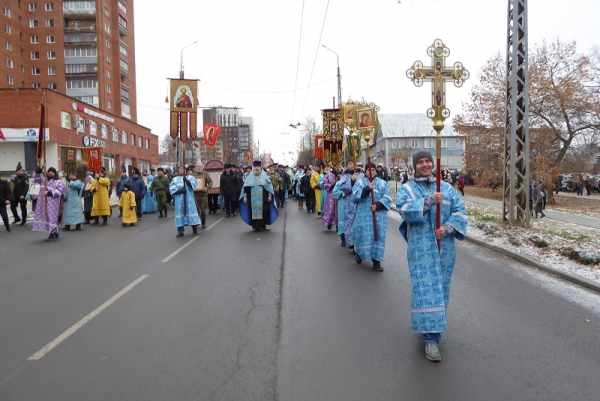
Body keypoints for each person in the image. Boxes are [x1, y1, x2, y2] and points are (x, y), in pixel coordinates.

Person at [395, 150, 468, 362]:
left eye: (428, 161)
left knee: (441, 289)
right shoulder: (407, 189)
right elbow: (404, 210)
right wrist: (428, 202)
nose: (425, 165)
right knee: (425, 290)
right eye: (420, 162)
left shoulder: (447, 188)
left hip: (444, 247)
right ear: (414, 166)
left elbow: (460, 213)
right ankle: (430, 339)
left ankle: (432, 330)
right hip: (420, 249)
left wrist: (446, 228)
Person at [352, 162, 392, 271]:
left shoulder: (383, 184)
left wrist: (378, 205)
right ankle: (360, 254)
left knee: (378, 236)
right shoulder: (359, 183)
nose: (371, 172)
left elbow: (388, 197)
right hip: (363, 216)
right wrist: (367, 189)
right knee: (362, 235)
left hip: (378, 217)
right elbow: (355, 195)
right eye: (369, 170)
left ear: (376, 171)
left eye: (373, 170)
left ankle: (376, 262)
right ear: (365, 171)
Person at [239, 161, 278, 231]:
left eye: (258, 167)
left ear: (260, 167)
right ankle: (255, 226)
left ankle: (263, 225)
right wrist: (245, 197)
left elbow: (269, 187)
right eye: (255, 167)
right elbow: (245, 188)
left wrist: (269, 196)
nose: (256, 168)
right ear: (253, 167)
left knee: (264, 210)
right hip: (252, 198)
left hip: (264, 198)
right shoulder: (249, 177)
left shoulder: (265, 177)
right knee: (253, 211)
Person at [31, 166, 65, 241]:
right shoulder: (44, 180)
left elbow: (60, 191)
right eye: (49, 171)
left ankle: (52, 234)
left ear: (55, 173)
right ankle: (56, 230)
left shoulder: (59, 182)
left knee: (52, 218)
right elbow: (36, 177)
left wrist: (49, 192)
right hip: (43, 203)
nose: (50, 173)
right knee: (45, 217)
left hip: (53, 204)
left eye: (52, 172)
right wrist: (39, 170)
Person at [169, 165, 200, 237]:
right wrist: (179, 191)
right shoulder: (175, 179)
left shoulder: (191, 177)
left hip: (189, 199)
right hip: (179, 200)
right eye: (180, 169)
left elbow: (193, 185)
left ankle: (194, 227)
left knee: (191, 212)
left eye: (183, 169)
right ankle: (180, 231)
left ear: (185, 170)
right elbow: (172, 188)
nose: (181, 170)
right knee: (180, 214)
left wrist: (187, 181)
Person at [339, 160, 362, 252]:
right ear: (347, 165)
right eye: (350, 163)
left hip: (360, 201)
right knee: (350, 221)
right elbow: (342, 187)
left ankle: (359, 242)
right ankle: (351, 243)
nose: (352, 165)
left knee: (359, 221)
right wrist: (352, 181)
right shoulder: (345, 176)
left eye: (353, 163)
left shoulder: (361, 175)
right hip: (349, 201)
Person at [193, 162, 213, 228]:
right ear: (195, 168)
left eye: (200, 166)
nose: (198, 168)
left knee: (203, 210)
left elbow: (210, 182)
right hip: (195, 195)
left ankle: (203, 222)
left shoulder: (205, 174)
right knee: (196, 210)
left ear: (202, 167)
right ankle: (197, 221)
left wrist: (206, 188)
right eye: (197, 166)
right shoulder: (193, 175)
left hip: (203, 195)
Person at [320, 164, 338, 231]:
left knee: (338, 210)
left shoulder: (341, 175)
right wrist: (331, 186)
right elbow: (324, 183)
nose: (338, 168)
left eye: (339, 167)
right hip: (331, 195)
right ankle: (329, 223)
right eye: (337, 167)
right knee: (330, 210)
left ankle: (337, 225)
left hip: (339, 196)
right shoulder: (329, 175)